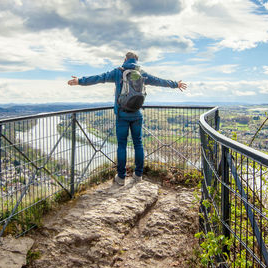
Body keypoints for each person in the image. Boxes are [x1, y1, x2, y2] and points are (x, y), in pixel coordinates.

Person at [68, 52, 187, 186]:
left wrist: (79, 81)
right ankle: (138, 175)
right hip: (137, 114)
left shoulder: (118, 72)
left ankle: (121, 177)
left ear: (125, 59)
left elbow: (99, 78)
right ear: (137, 60)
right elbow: (159, 81)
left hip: (122, 115)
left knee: (122, 145)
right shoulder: (142, 73)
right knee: (138, 144)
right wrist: (175, 84)